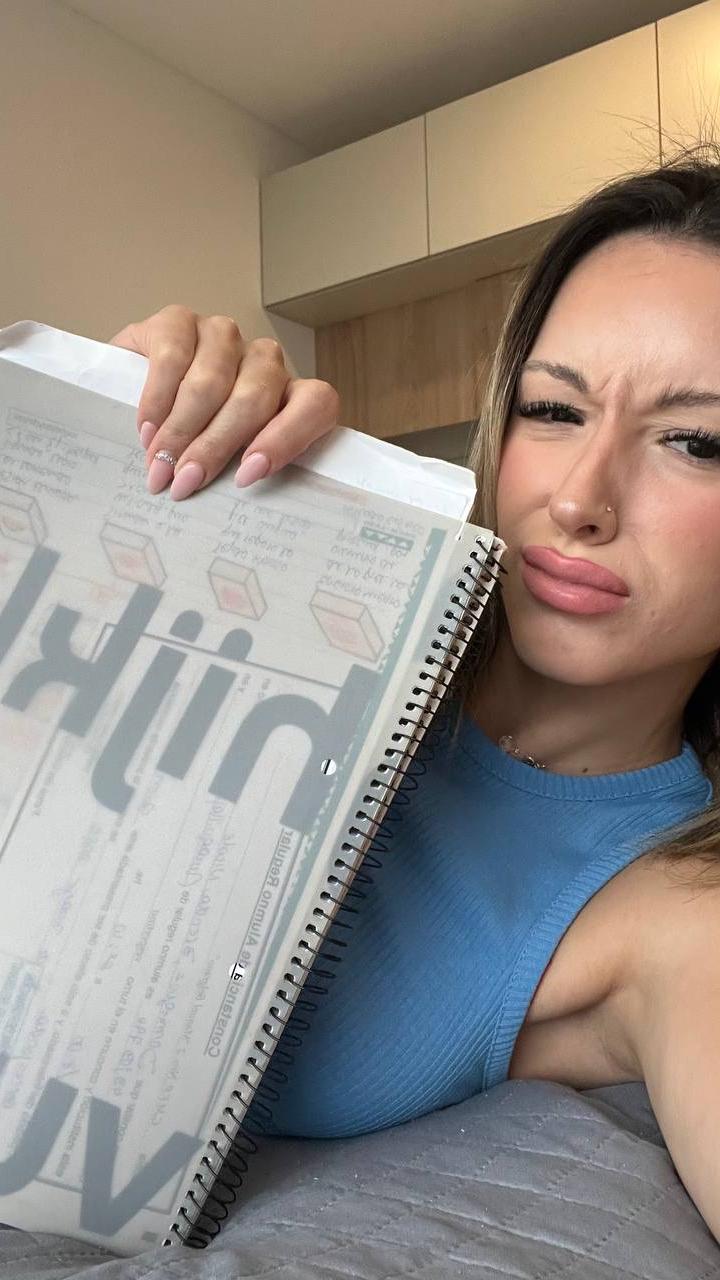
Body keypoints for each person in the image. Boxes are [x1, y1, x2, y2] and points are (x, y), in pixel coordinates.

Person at [110, 145, 720, 1243]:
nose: (579, 500)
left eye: (696, 440)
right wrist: (112, 433)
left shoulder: (681, 902)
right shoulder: (320, 609)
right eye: (553, 409)